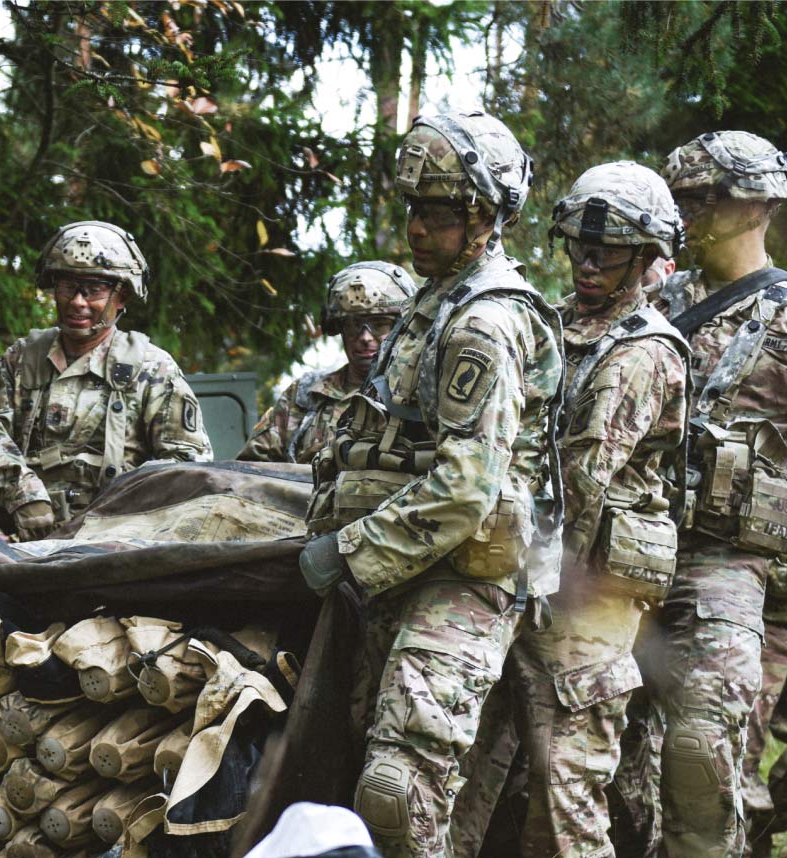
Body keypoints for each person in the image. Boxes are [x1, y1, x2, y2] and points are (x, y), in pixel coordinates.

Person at [299, 110, 563, 856]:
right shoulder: (432, 300)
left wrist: (348, 550)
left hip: (466, 575)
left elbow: (464, 487)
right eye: (412, 208)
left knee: (396, 790)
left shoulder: (484, 320)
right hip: (411, 572)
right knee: (399, 790)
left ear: (484, 214)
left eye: (438, 211)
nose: (416, 227)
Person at [454, 161, 690, 858]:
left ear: (647, 257)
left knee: (568, 788)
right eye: (579, 249)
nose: (588, 265)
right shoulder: (552, 326)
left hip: (588, 596)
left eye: (608, 252)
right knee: (462, 773)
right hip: (522, 573)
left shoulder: (645, 350)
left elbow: (582, 477)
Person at [649, 130, 787, 856]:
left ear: (755, 205)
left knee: (705, 756)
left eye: (701, 198)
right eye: (678, 198)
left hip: (738, 572)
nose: (683, 213)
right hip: (620, 555)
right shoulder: (647, 303)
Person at [0, 220, 213, 534]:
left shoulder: (152, 369)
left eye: (94, 290)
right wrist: (25, 498)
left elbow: (188, 464)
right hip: (24, 532)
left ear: (122, 296)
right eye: (67, 286)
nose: (77, 302)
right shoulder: (21, 360)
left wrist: (125, 511)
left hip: (117, 537)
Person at [238, 261, 415, 464]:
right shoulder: (305, 396)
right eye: (354, 325)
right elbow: (251, 470)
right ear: (339, 329)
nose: (365, 337)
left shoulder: (419, 394)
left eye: (379, 324)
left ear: (401, 328)